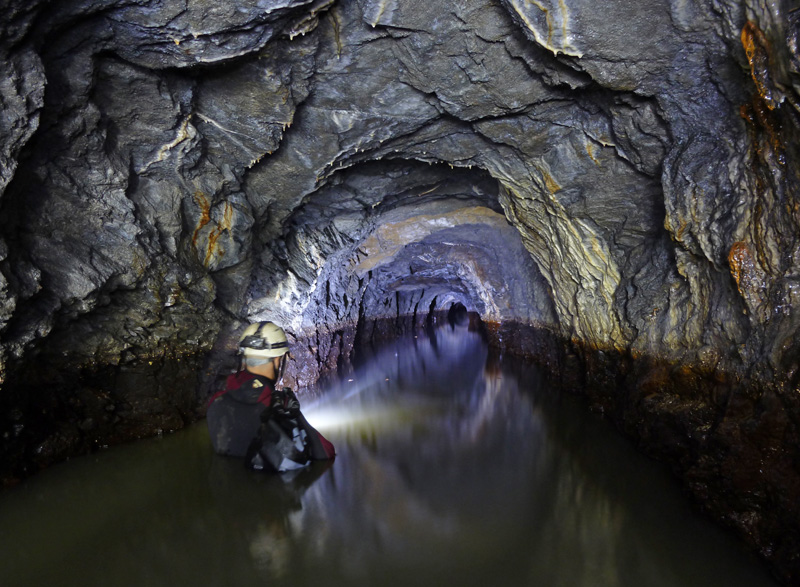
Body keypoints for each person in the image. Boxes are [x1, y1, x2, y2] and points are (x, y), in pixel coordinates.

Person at [206, 321, 335, 472]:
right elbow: (325, 453)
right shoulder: (278, 405)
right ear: (277, 360)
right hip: (272, 488)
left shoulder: (216, 401)